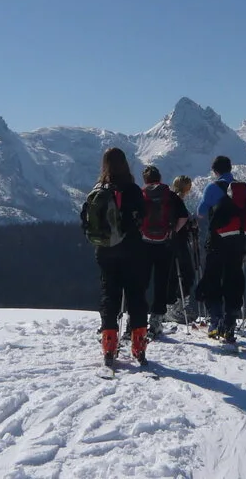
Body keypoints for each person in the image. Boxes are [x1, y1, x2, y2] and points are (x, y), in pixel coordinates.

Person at [81, 147, 150, 366]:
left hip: (105, 250)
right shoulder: (133, 190)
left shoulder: (98, 190)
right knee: (136, 295)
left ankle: (109, 345)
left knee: (109, 294)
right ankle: (139, 346)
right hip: (132, 248)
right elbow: (143, 215)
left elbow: (85, 220)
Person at [195, 155, 246, 343]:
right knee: (233, 278)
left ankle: (216, 319)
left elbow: (201, 212)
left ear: (215, 171)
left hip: (218, 240)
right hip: (240, 240)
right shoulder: (242, 188)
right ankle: (230, 323)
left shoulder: (213, 187)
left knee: (212, 278)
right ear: (230, 168)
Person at [139, 165, 189, 338]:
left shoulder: (140, 194)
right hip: (165, 244)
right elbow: (184, 216)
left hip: (143, 244)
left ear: (145, 180)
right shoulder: (170, 195)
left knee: (140, 282)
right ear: (159, 178)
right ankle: (156, 322)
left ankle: (136, 321)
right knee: (161, 283)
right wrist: (172, 231)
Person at [164, 175, 198, 324]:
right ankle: (179, 306)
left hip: (168, 241)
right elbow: (183, 218)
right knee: (186, 273)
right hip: (178, 241)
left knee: (172, 273)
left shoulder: (169, 199)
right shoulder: (178, 200)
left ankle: (171, 306)